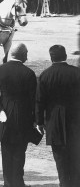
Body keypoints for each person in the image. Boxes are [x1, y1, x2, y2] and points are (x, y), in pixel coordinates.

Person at [0, 43, 37, 187]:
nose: (27, 55)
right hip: (23, 114)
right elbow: (34, 100)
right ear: (22, 55)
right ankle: (18, 182)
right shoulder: (29, 73)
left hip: (5, 113)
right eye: (26, 53)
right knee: (20, 151)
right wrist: (35, 120)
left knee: (6, 150)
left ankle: (8, 183)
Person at [36, 45, 80, 187]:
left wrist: (39, 122)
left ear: (51, 57)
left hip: (54, 122)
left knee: (60, 158)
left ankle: (64, 183)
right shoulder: (77, 73)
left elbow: (39, 101)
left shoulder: (45, 75)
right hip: (75, 120)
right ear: (65, 56)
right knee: (75, 156)